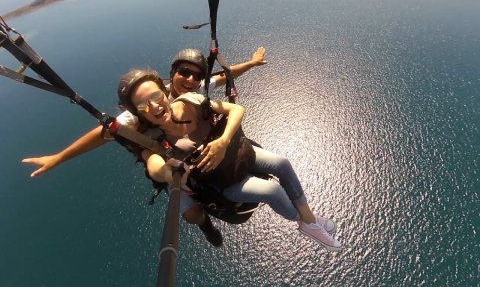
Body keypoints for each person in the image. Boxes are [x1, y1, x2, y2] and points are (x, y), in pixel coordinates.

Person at [22, 47, 267, 247]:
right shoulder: (141, 107)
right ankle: (207, 226)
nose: (190, 80)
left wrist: (252, 63)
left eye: (195, 76)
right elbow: (102, 133)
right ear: (172, 75)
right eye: (183, 73)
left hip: (200, 150)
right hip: (169, 162)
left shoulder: (194, 91)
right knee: (192, 215)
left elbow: (225, 76)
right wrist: (59, 157)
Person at [115, 68, 343, 252]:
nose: (154, 106)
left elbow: (236, 109)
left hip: (235, 154)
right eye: (144, 105)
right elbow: (154, 165)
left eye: (156, 96)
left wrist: (223, 142)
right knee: (271, 191)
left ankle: (310, 219)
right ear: (139, 113)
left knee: (282, 162)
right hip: (220, 182)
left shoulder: (190, 102)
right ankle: (304, 222)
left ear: (164, 93)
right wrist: (167, 173)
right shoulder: (152, 139)